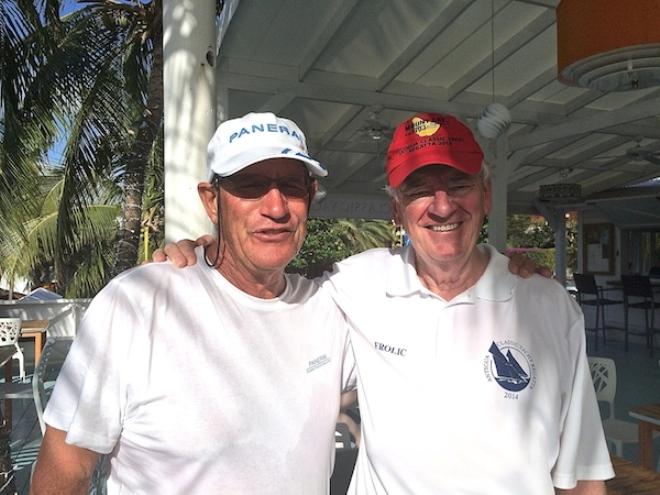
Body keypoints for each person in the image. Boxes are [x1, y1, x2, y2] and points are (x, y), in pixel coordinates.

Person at [158, 113, 614, 494]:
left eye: (457, 185)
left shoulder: (549, 306)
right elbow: (257, 286)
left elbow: (585, 477)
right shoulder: (356, 285)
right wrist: (205, 253)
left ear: (487, 195)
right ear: (396, 210)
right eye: (418, 191)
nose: (441, 206)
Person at [31, 113, 354, 494]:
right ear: (212, 202)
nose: (276, 207)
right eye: (250, 186)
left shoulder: (331, 310)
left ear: (310, 195)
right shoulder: (139, 302)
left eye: (292, 185)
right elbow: (67, 468)